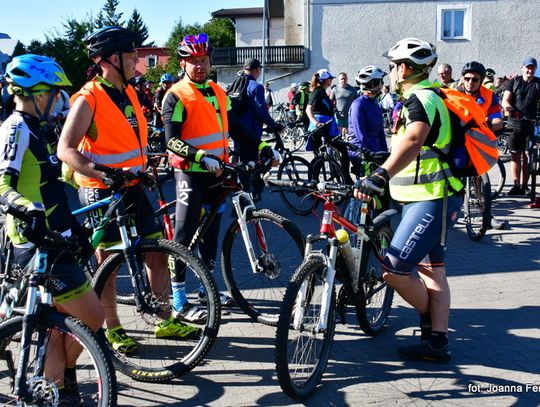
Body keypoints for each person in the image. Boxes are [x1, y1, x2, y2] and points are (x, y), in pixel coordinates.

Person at [57, 26, 198, 355]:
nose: (137, 57)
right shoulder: (88, 97)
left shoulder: (131, 92)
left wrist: (143, 169)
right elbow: (66, 149)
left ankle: (164, 319)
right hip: (101, 190)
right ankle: (113, 328)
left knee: (155, 253)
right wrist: (104, 175)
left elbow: (130, 142)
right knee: (109, 263)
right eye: (131, 53)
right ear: (110, 59)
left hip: (133, 186)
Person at [0, 54, 104, 404]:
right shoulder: (15, 128)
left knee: (60, 318)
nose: (62, 100)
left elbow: (52, 183)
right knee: (92, 315)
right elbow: (2, 186)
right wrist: (26, 208)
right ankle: (54, 382)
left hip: (57, 235)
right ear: (37, 94)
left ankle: (55, 385)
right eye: (55, 93)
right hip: (33, 239)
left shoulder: (38, 129)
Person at [355, 38, 463, 363]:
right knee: (433, 273)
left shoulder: (421, 98)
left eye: (391, 67)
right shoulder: (423, 97)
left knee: (394, 269)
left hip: (431, 200)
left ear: (402, 69)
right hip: (425, 199)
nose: (390, 73)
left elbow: (414, 140)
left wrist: (380, 176)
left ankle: (431, 320)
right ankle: (437, 343)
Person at [161, 33, 280, 320]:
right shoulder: (175, 95)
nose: (199, 66)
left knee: (211, 235)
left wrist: (263, 145)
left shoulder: (218, 91)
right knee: (183, 235)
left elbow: (236, 128)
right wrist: (203, 157)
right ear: (183, 62)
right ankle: (178, 299)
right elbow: (171, 142)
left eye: (203, 60)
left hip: (218, 173)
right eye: (193, 61)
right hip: (190, 172)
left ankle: (206, 288)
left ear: (210, 61)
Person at [457, 61, 507, 229]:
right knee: (453, 173)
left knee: (480, 174)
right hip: (456, 138)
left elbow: (497, 117)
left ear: (482, 80)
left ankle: (486, 213)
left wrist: (493, 123)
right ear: (462, 79)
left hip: (477, 138)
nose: (470, 82)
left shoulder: (489, 95)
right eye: (467, 78)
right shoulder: (453, 93)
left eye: (475, 80)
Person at [306, 68, 353, 184]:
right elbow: (308, 109)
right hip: (320, 128)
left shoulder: (323, 92)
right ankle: (314, 183)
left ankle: (344, 178)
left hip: (327, 126)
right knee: (321, 156)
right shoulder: (317, 91)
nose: (332, 79)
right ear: (324, 80)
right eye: (330, 78)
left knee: (327, 154)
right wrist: (315, 122)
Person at [501, 57, 540, 197]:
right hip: (514, 122)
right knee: (515, 155)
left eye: (532, 67)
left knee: (528, 155)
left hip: (531, 123)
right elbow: (505, 100)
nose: (530, 70)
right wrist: (511, 109)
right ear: (522, 68)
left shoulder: (538, 83)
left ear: (535, 69)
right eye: (527, 67)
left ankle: (525, 186)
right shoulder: (514, 82)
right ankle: (516, 185)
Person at [233, 58, 282, 164]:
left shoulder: (236, 84)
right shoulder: (257, 86)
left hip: (236, 129)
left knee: (237, 162)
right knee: (250, 166)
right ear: (257, 70)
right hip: (251, 131)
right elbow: (261, 111)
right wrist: (274, 125)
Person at [347, 65, 388, 176]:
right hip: (361, 151)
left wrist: (385, 153)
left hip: (375, 150)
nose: (382, 84)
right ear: (373, 84)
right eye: (381, 81)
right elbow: (361, 135)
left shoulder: (375, 105)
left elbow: (380, 133)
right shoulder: (358, 105)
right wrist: (376, 154)